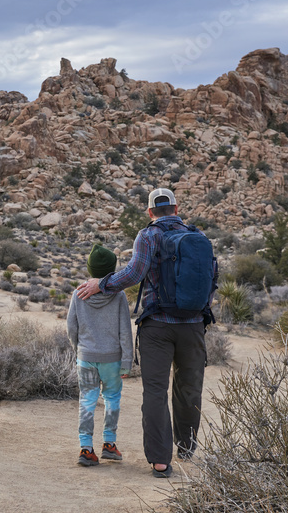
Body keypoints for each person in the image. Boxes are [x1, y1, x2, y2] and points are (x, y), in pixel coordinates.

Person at [75, 187, 216, 478]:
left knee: (155, 391)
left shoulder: (148, 235)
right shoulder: (199, 237)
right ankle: (186, 447)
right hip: (193, 326)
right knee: (189, 387)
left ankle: (160, 461)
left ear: (150, 212)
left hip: (157, 326)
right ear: (176, 209)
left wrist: (101, 284)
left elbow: (134, 273)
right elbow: (212, 278)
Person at [67, 243, 133, 467]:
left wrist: (79, 349)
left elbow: (71, 327)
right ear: (111, 271)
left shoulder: (79, 293)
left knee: (87, 399)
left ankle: (86, 449)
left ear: (90, 268)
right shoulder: (119, 295)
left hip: (86, 357)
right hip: (112, 358)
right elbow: (125, 330)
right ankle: (109, 445)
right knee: (112, 398)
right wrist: (126, 361)